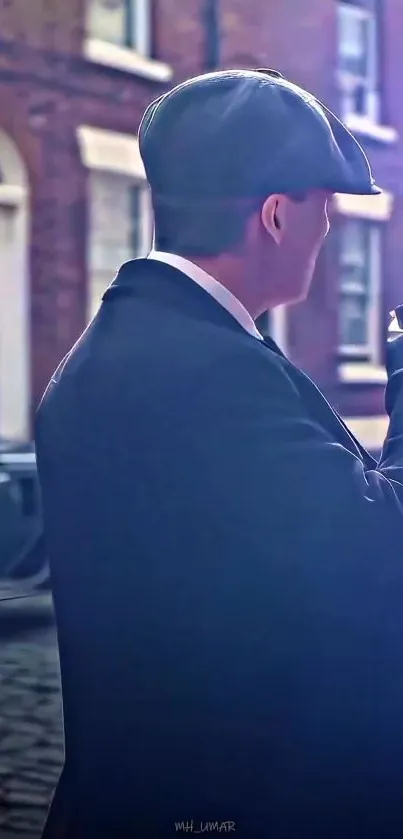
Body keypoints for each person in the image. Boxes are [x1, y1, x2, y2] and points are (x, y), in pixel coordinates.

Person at [36, 69, 403, 838]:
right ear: (275, 215)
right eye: (324, 205)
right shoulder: (198, 368)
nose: (327, 228)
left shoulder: (151, 344)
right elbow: (377, 548)